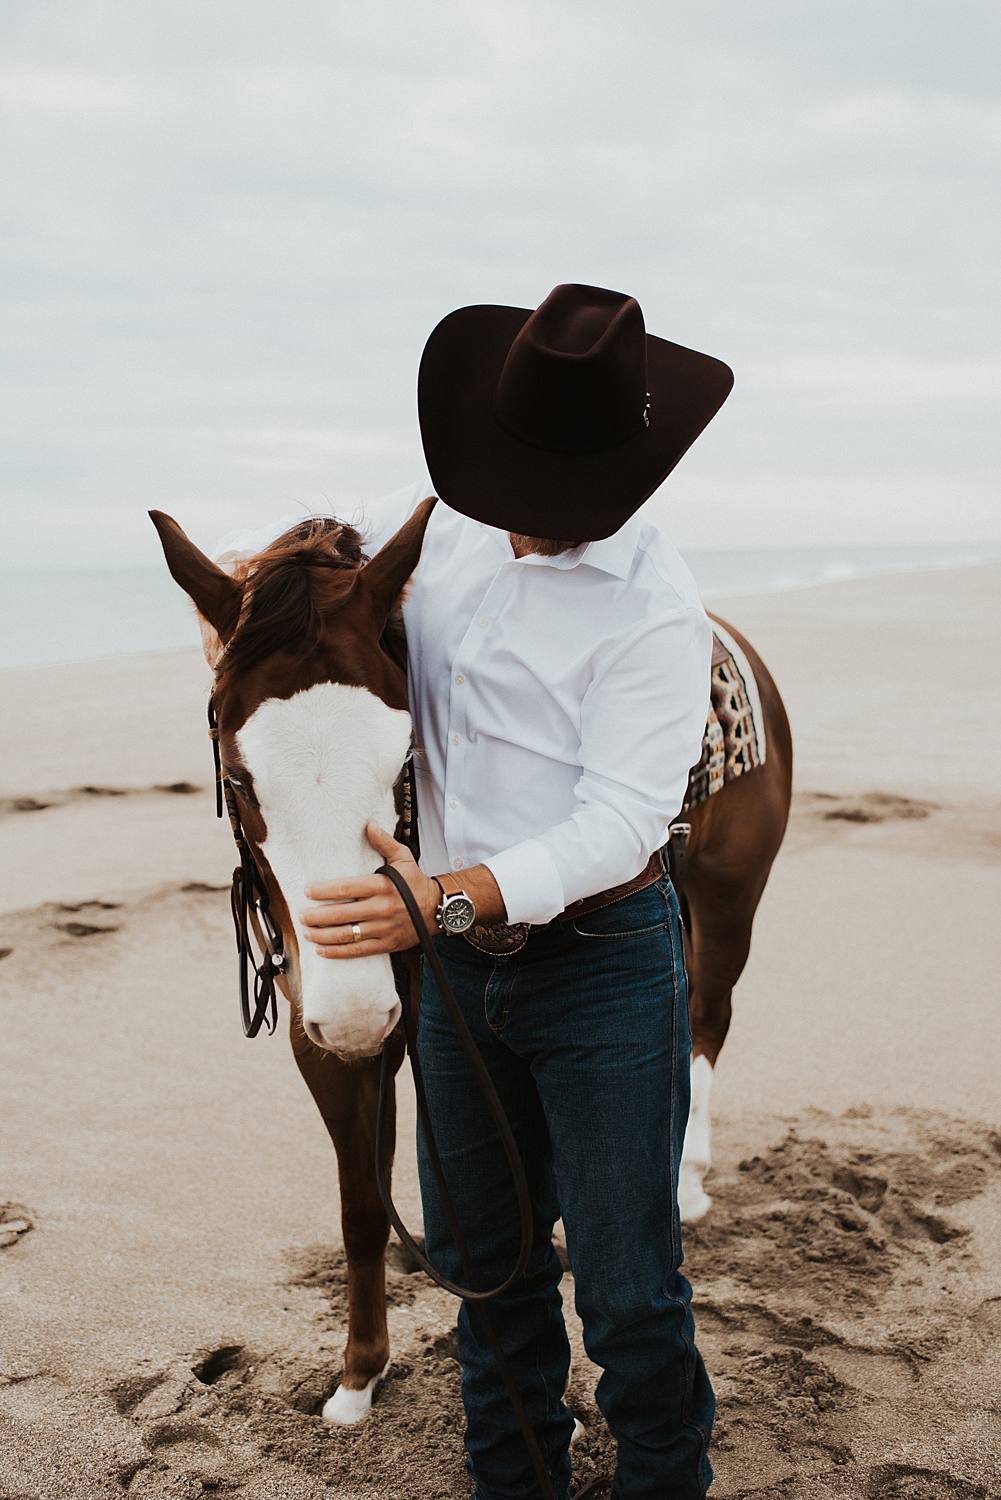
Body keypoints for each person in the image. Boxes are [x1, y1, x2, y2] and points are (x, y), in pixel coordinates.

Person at [299, 283, 732, 1500]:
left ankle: (662, 1479)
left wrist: (442, 900)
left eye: (558, 504)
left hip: (599, 961)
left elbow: (617, 824)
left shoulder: (654, 607)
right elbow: (302, 555)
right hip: (455, 982)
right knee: (483, 1276)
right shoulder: (427, 522)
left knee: (629, 1287)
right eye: (514, 493)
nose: (528, 526)